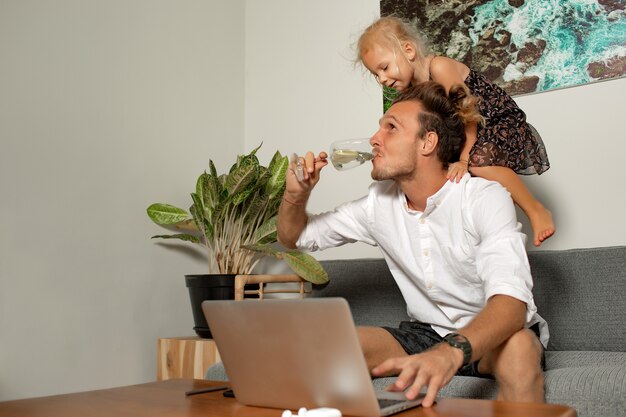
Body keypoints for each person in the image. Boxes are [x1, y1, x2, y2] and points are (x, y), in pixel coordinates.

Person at [277, 81, 548, 407]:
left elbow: (511, 305)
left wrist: (451, 354)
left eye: (390, 128)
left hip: (493, 337)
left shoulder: (482, 198)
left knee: (519, 349)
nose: (374, 139)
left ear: (427, 142)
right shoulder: (377, 205)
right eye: (379, 129)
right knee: (329, 344)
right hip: (427, 334)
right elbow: (294, 238)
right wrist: (295, 195)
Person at [355, 16, 554, 247]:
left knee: (478, 164)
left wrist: (464, 158)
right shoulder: (412, 94)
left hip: (490, 120)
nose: (382, 79)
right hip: (461, 132)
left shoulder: (438, 67)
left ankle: (536, 209)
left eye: (385, 67)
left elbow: (468, 113)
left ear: (408, 50)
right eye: (375, 74)